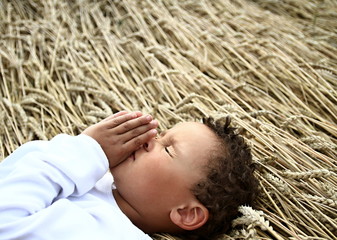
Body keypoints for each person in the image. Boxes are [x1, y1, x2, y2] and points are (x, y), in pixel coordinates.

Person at [0, 111, 258, 240]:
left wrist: (86, 149)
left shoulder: (112, 233)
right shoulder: (93, 173)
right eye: (158, 135)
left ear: (186, 213)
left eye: (167, 149)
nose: (148, 140)